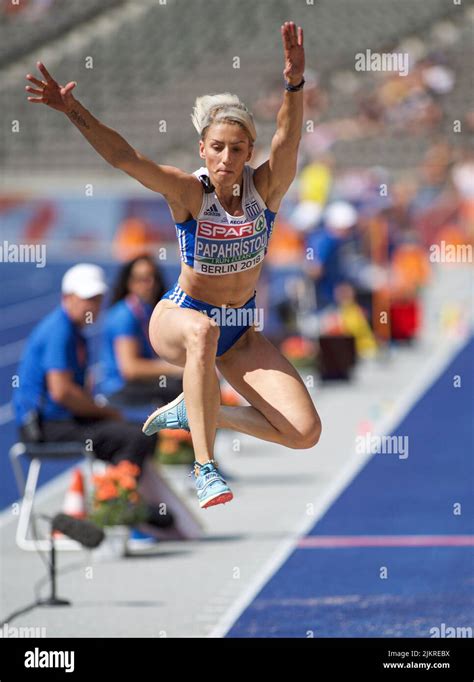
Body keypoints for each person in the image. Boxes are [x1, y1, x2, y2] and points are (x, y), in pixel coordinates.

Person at [25, 21, 322, 510]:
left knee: (303, 432)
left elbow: (288, 140)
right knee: (203, 331)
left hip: (239, 330)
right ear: (202, 149)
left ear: (250, 152)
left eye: (238, 148)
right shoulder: (190, 192)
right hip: (180, 318)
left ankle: (200, 410)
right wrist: (71, 108)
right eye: (218, 147)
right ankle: (205, 469)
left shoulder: (264, 190)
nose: (227, 157)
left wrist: (294, 83)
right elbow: (124, 156)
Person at [13, 264, 174, 541]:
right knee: (133, 438)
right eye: (88, 299)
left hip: (58, 420)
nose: (95, 306)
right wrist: (107, 412)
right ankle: (120, 511)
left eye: (98, 299)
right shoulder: (59, 331)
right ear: (68, 298)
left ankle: (120, 504)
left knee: (140, 433)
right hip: (44, 427)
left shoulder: (74, 331)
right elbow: (62, 392)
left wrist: (102, 413)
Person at [100, 254, 183, 408]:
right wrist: (177, 368)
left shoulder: (145, 310)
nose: (150, 284)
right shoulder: (124, 315)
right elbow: (130, 369)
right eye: (142, 279)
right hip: (119, 391)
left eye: (153, 278)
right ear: (130, 283)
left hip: (134, 388)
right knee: (183, 389)